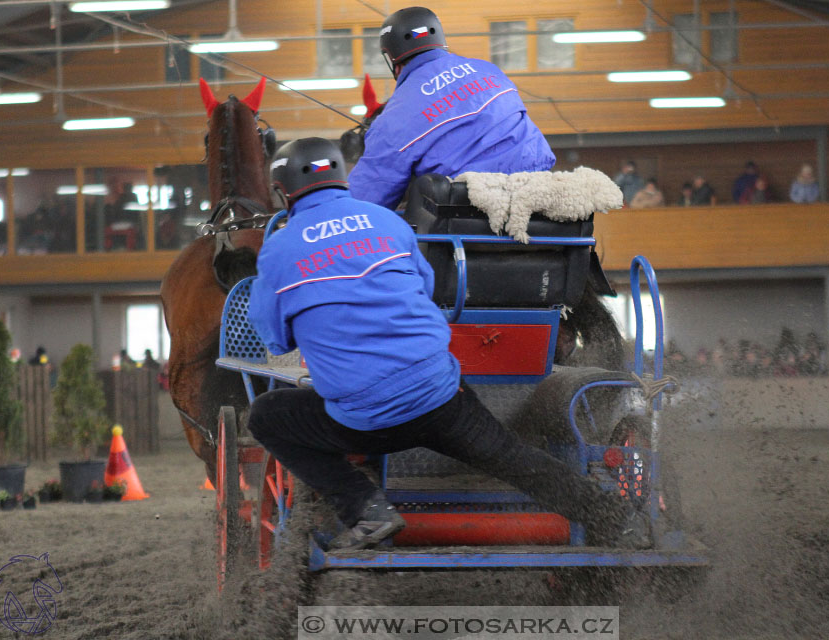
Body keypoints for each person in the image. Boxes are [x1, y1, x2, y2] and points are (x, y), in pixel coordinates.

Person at [246, 137, 647, 551]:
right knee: (513, 458)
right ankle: (618, 520)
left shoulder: (279, 250)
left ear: (282, 191)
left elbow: (276, 338)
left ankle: (366, 508)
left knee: (266, 416)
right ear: (341, 177)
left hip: (363, 421)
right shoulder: (386, 223)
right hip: (440, 398)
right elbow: (426, 286)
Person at [347, 7, 556, 210]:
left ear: (392, 59)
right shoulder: (490, 70)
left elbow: (365, 199)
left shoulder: (395, 117)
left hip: (469, 214)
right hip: (538, 187)